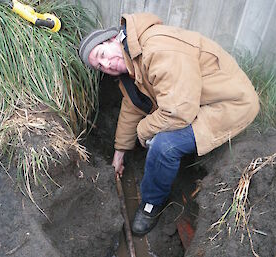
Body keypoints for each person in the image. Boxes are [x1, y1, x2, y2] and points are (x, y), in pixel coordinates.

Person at [79, 13, 259, 236]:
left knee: (165, 144)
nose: (106, 64)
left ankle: (151, 204)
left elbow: (178, 112)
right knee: (158, 131)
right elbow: (132, 105)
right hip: (198, 102)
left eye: (103, 54)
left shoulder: (157, 48)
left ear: (114, 39)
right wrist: (120, 152)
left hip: (229, 103)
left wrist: (143, 132)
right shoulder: (132, 59)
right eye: (100, 66)